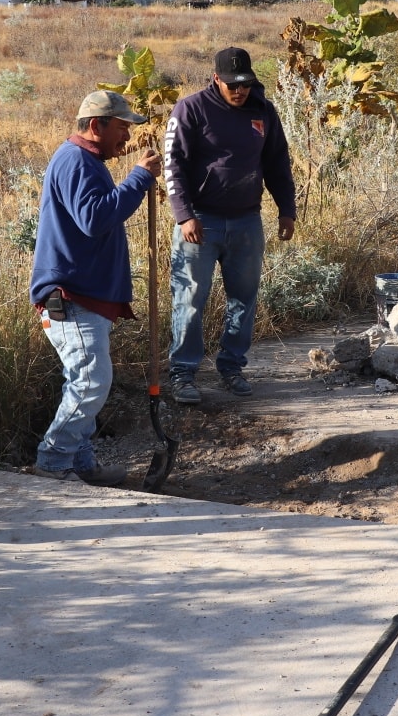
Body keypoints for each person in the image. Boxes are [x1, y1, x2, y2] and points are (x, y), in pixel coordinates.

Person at [30, 90, 163, 484]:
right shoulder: (75, 162)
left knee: (83, 380)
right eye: (121, 128)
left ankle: (82, 464)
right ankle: (53, 462)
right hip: (70, 296)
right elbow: (93, 218)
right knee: (91, 381)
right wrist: (139, 178)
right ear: (95, 126)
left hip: (82, 294)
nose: (127, 137)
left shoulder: (85, 161)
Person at [163, 46, 296, 404]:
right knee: (190, 298)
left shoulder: (263, 111)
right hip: (200, 222)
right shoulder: (190, 109)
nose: (239, 92)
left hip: (246, 220)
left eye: (245, 85)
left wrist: (287, 209)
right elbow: (172, 165)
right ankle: (183, 373)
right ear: (216, 78)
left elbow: (277, 163)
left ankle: (232, 366)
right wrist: (184, 215)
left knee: (244, 297)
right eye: (232, 85)